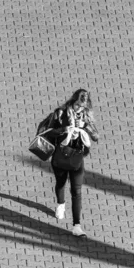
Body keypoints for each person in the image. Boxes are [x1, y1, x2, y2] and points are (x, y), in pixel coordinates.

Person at [48, 89, 99, 236]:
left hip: (77, 158)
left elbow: (96, 137)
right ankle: (61, 204)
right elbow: (49, 131)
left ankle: (77, 226)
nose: (78, 108)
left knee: (77, 191)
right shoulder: (60, 113)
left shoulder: (85, 117)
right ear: (73, 101)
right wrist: (65, 129)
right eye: (77, 104)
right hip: (60, 156)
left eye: (82, 106)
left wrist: (84, 128)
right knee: (60, 183)